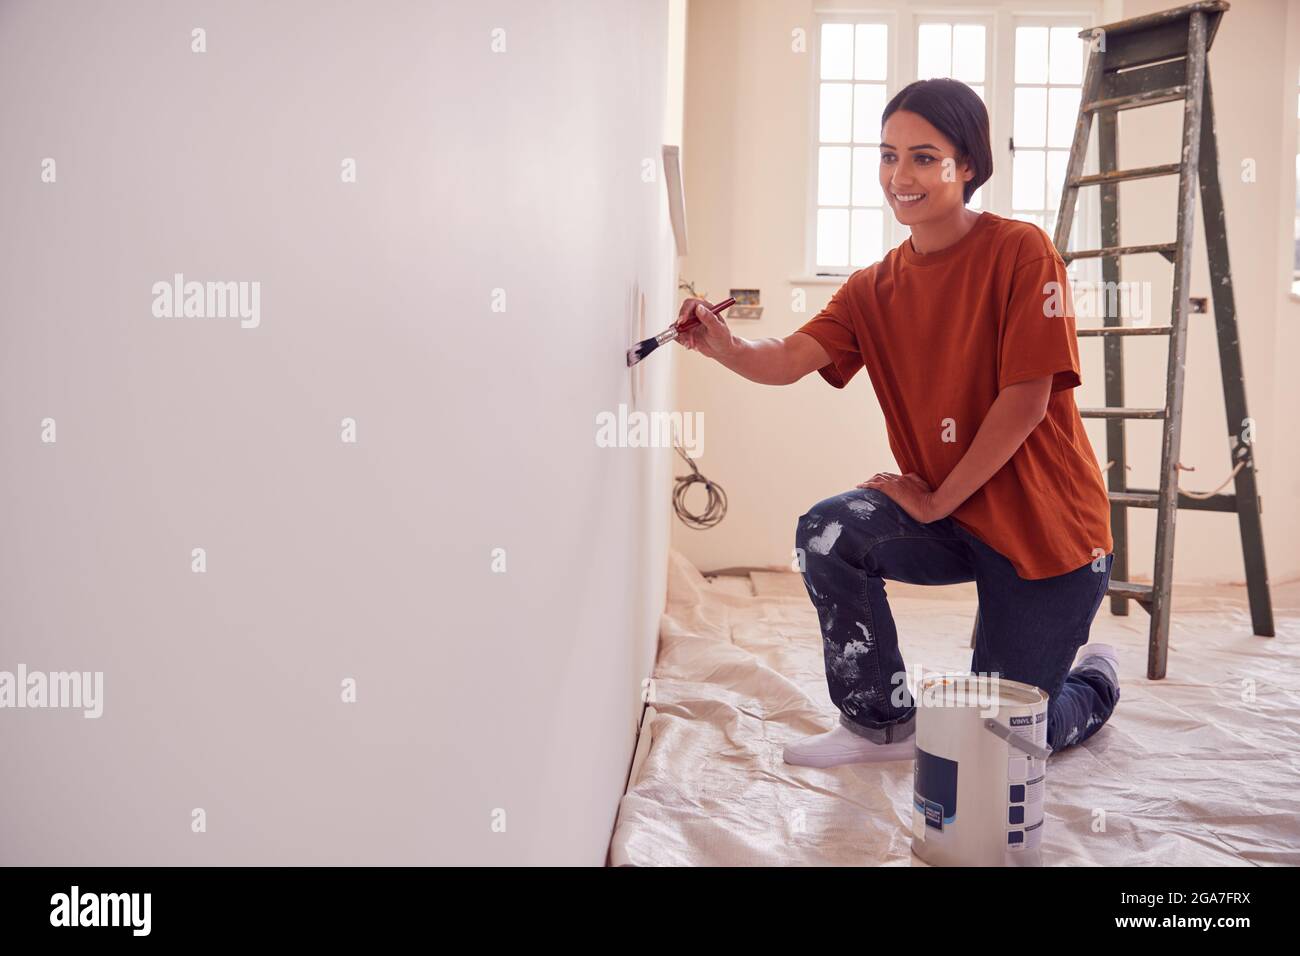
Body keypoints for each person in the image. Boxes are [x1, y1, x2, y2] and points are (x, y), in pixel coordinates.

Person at [675, 78, 1120, 768]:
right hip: (953, 519)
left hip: (1046, 531)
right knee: (829, 533)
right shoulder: (871, 288)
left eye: (922, 157)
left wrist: (938, 496)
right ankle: (878, 726)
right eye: (887, 156)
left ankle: (1092, 684)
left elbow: (1026, 401)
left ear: (966, 165)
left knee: (996, 746)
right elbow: (788, 357)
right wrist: (725, 345)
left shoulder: (1022, 251)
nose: (899, 176)